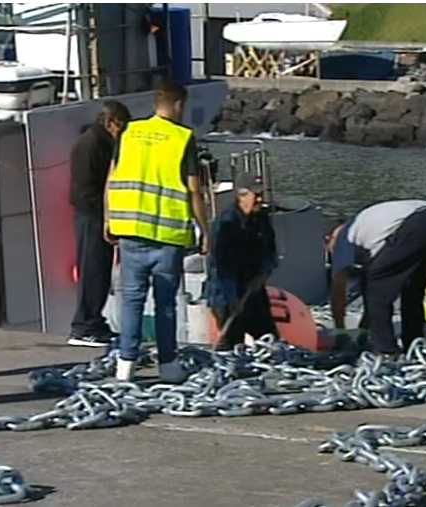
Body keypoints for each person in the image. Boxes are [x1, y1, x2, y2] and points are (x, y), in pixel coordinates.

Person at [105, 80, 210, 383]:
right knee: (165, 303)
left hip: (130, 230)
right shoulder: (182, 137)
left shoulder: (129, 132)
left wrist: (107, 218)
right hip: (167, 236)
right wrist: (205, 230)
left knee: (132, 299)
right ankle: (168, 365)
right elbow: (194, 191)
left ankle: (125, 365)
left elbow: (111, 179)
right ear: (179, 104)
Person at [326, 200, 426, 357]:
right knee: (411, 288)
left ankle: (387, 350)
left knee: (377, 286)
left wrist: (341, 331)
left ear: (329, 238)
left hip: (415, 223)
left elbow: (338, 293)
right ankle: (413, 345)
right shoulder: (367, 230)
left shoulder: (343, 238)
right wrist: (363, 329)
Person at [67, 100, 132, 347]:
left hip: (97, 215)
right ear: (109, 122)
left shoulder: (99, 142)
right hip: (91, 216)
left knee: (100, 271)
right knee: (92, 271)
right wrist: (106, 213)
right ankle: (84, 326)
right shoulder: (91, 144)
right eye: (121, 125)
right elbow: (84, 189)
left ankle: (93, 321)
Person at [207, 172, 278, 351]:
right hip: (226, 292)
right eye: (256, 195)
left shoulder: (262, 219)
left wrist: (264, 272)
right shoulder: (226, 224)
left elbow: (270, 251)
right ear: (241, 195)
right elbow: (222, 266)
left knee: (270, 340)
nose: (260, 200)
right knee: (232, 345)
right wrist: (232, 297)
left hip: (253, 287)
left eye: (262, 194)